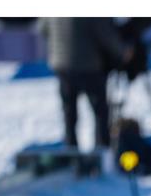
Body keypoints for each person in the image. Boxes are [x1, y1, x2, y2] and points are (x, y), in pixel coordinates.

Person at [37, 18, 131, 151]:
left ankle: (71, 152)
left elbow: (42, 28)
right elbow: (105, 34)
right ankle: (102, 151)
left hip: (62, 65)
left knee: (69, 114)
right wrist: (122, 52)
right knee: (100, 113)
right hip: (89, 66)